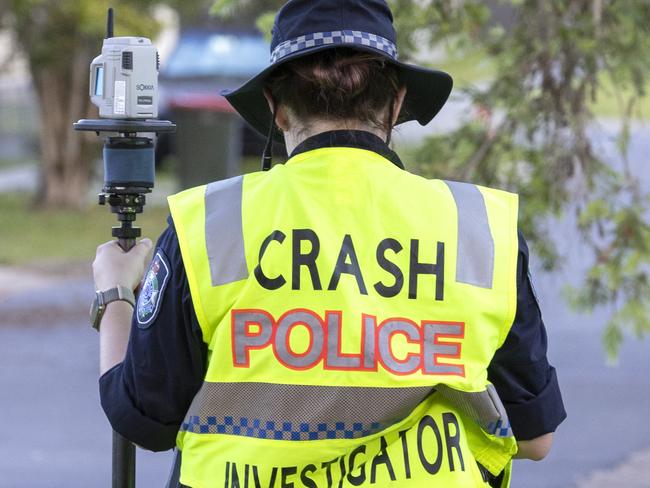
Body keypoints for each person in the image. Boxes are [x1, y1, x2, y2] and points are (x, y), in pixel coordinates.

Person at [93, 1, 566, 486]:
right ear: (397, 102)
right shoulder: (480, 229)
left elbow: (143, 418)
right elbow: (534, 439)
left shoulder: (210, 224)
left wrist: (115, 296)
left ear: (274, 107)